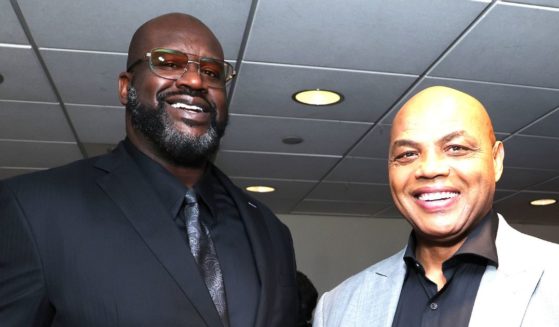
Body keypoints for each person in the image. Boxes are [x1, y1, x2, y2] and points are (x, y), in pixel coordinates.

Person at [0, 13, 298, 327]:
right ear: (125, 87)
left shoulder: (270, 231)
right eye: (169, 63)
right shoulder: (34, 209)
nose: (195, 81)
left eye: (211, 72)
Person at [313, 86, 559, 327]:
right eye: (408, 154)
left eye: (456, 148)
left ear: (496, 161)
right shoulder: (336, 306)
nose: (430, 169)